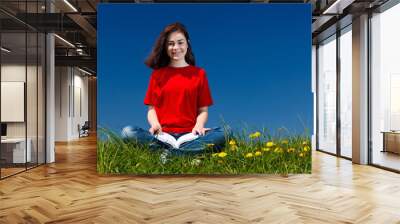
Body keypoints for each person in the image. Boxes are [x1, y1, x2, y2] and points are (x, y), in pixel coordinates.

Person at [122, 22, 226, 156]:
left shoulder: (199, 74)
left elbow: (203, 110)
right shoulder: (157, 75)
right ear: (165, 47)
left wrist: (199, 125)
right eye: (170, 44)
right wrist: (155, 125)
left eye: (180, 42)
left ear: (187, 43)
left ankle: (169, 154)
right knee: (128, 132)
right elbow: (151, 109)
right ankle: (187, 154)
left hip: (191, 135)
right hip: (163, 135)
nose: (175, 47)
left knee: (224, 132)